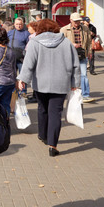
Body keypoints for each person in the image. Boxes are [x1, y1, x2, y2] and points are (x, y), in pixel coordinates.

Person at [17, 19, 80, 157]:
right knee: (55, 113)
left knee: (42, 108)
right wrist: (75, 84)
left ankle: (43, 135)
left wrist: (23, 80)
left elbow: (28, 63)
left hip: (41, 83)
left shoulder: (34, 42)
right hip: (60, 83)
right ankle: (52, 145)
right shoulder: (66, 43)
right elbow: (75, 65)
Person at [60, 13, 94, 103]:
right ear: (71, 20)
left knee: (84, 75)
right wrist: (72, 45)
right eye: (75, 21)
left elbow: (89, 42)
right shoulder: (64, 30)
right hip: (69, 55)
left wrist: (89, 51)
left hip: (82, 55)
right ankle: (67, 93)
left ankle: (85, 95)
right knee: (69, 75)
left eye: (78, 21)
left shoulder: (85, 29)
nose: (77, 23)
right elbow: (60, 43)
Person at [8, 17, 31, 97]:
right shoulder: (10, 33)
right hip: (11, 57)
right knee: (12, 75)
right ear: (14, 24)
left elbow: (29, 46)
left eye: (20, 24)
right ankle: (13, 90)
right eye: (17, 24)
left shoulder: (26, 34)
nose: (18, 26)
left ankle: (23, 91)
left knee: (23, 75)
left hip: (21, 58)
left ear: (23, 24)